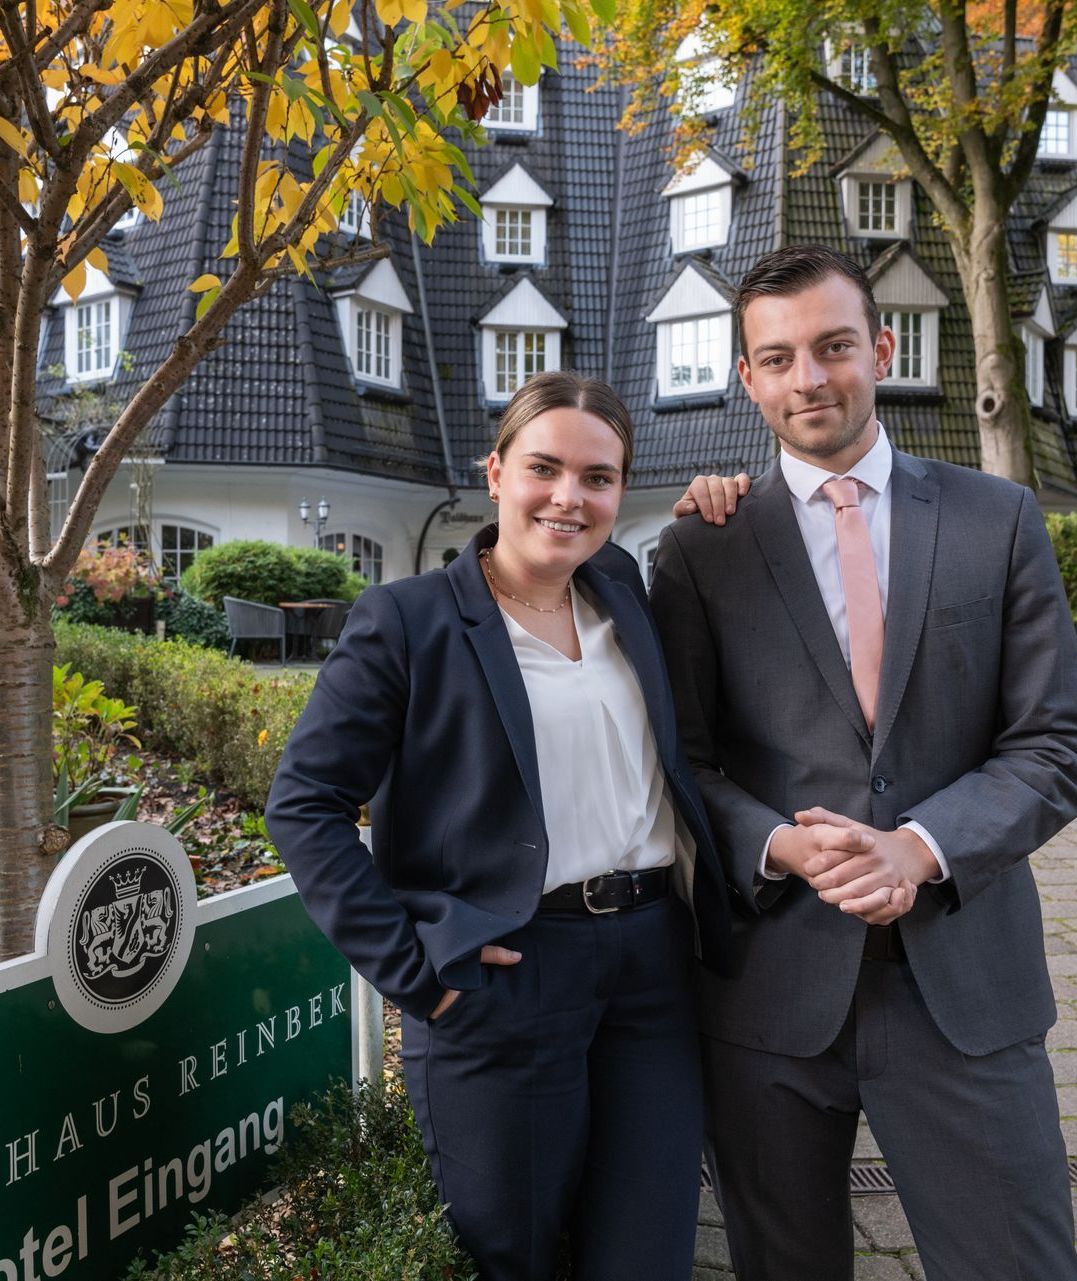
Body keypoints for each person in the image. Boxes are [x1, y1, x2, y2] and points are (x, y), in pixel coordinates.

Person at [650, 244, 1077, 1281]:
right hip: (768, 995)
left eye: (833, 346)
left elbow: (1057, 743)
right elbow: (685, 768)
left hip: (963, 981)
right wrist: (780, 849)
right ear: (747, 378)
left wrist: (920, 847)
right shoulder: (701, 551)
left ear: (883, 349)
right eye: (777, 357)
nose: (808, 377)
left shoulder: (1000, 521)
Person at [266, 371, 732, 1281]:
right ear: (495, 472)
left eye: (598, 478)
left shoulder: (620, 586)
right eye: (544, 468)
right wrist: (413, 970)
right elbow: (304, 803)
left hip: (652, 966)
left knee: (646, 1249)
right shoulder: (407, 621)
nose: (570, 496)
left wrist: (728, 499)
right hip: (508, 970)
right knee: (511, 1251)